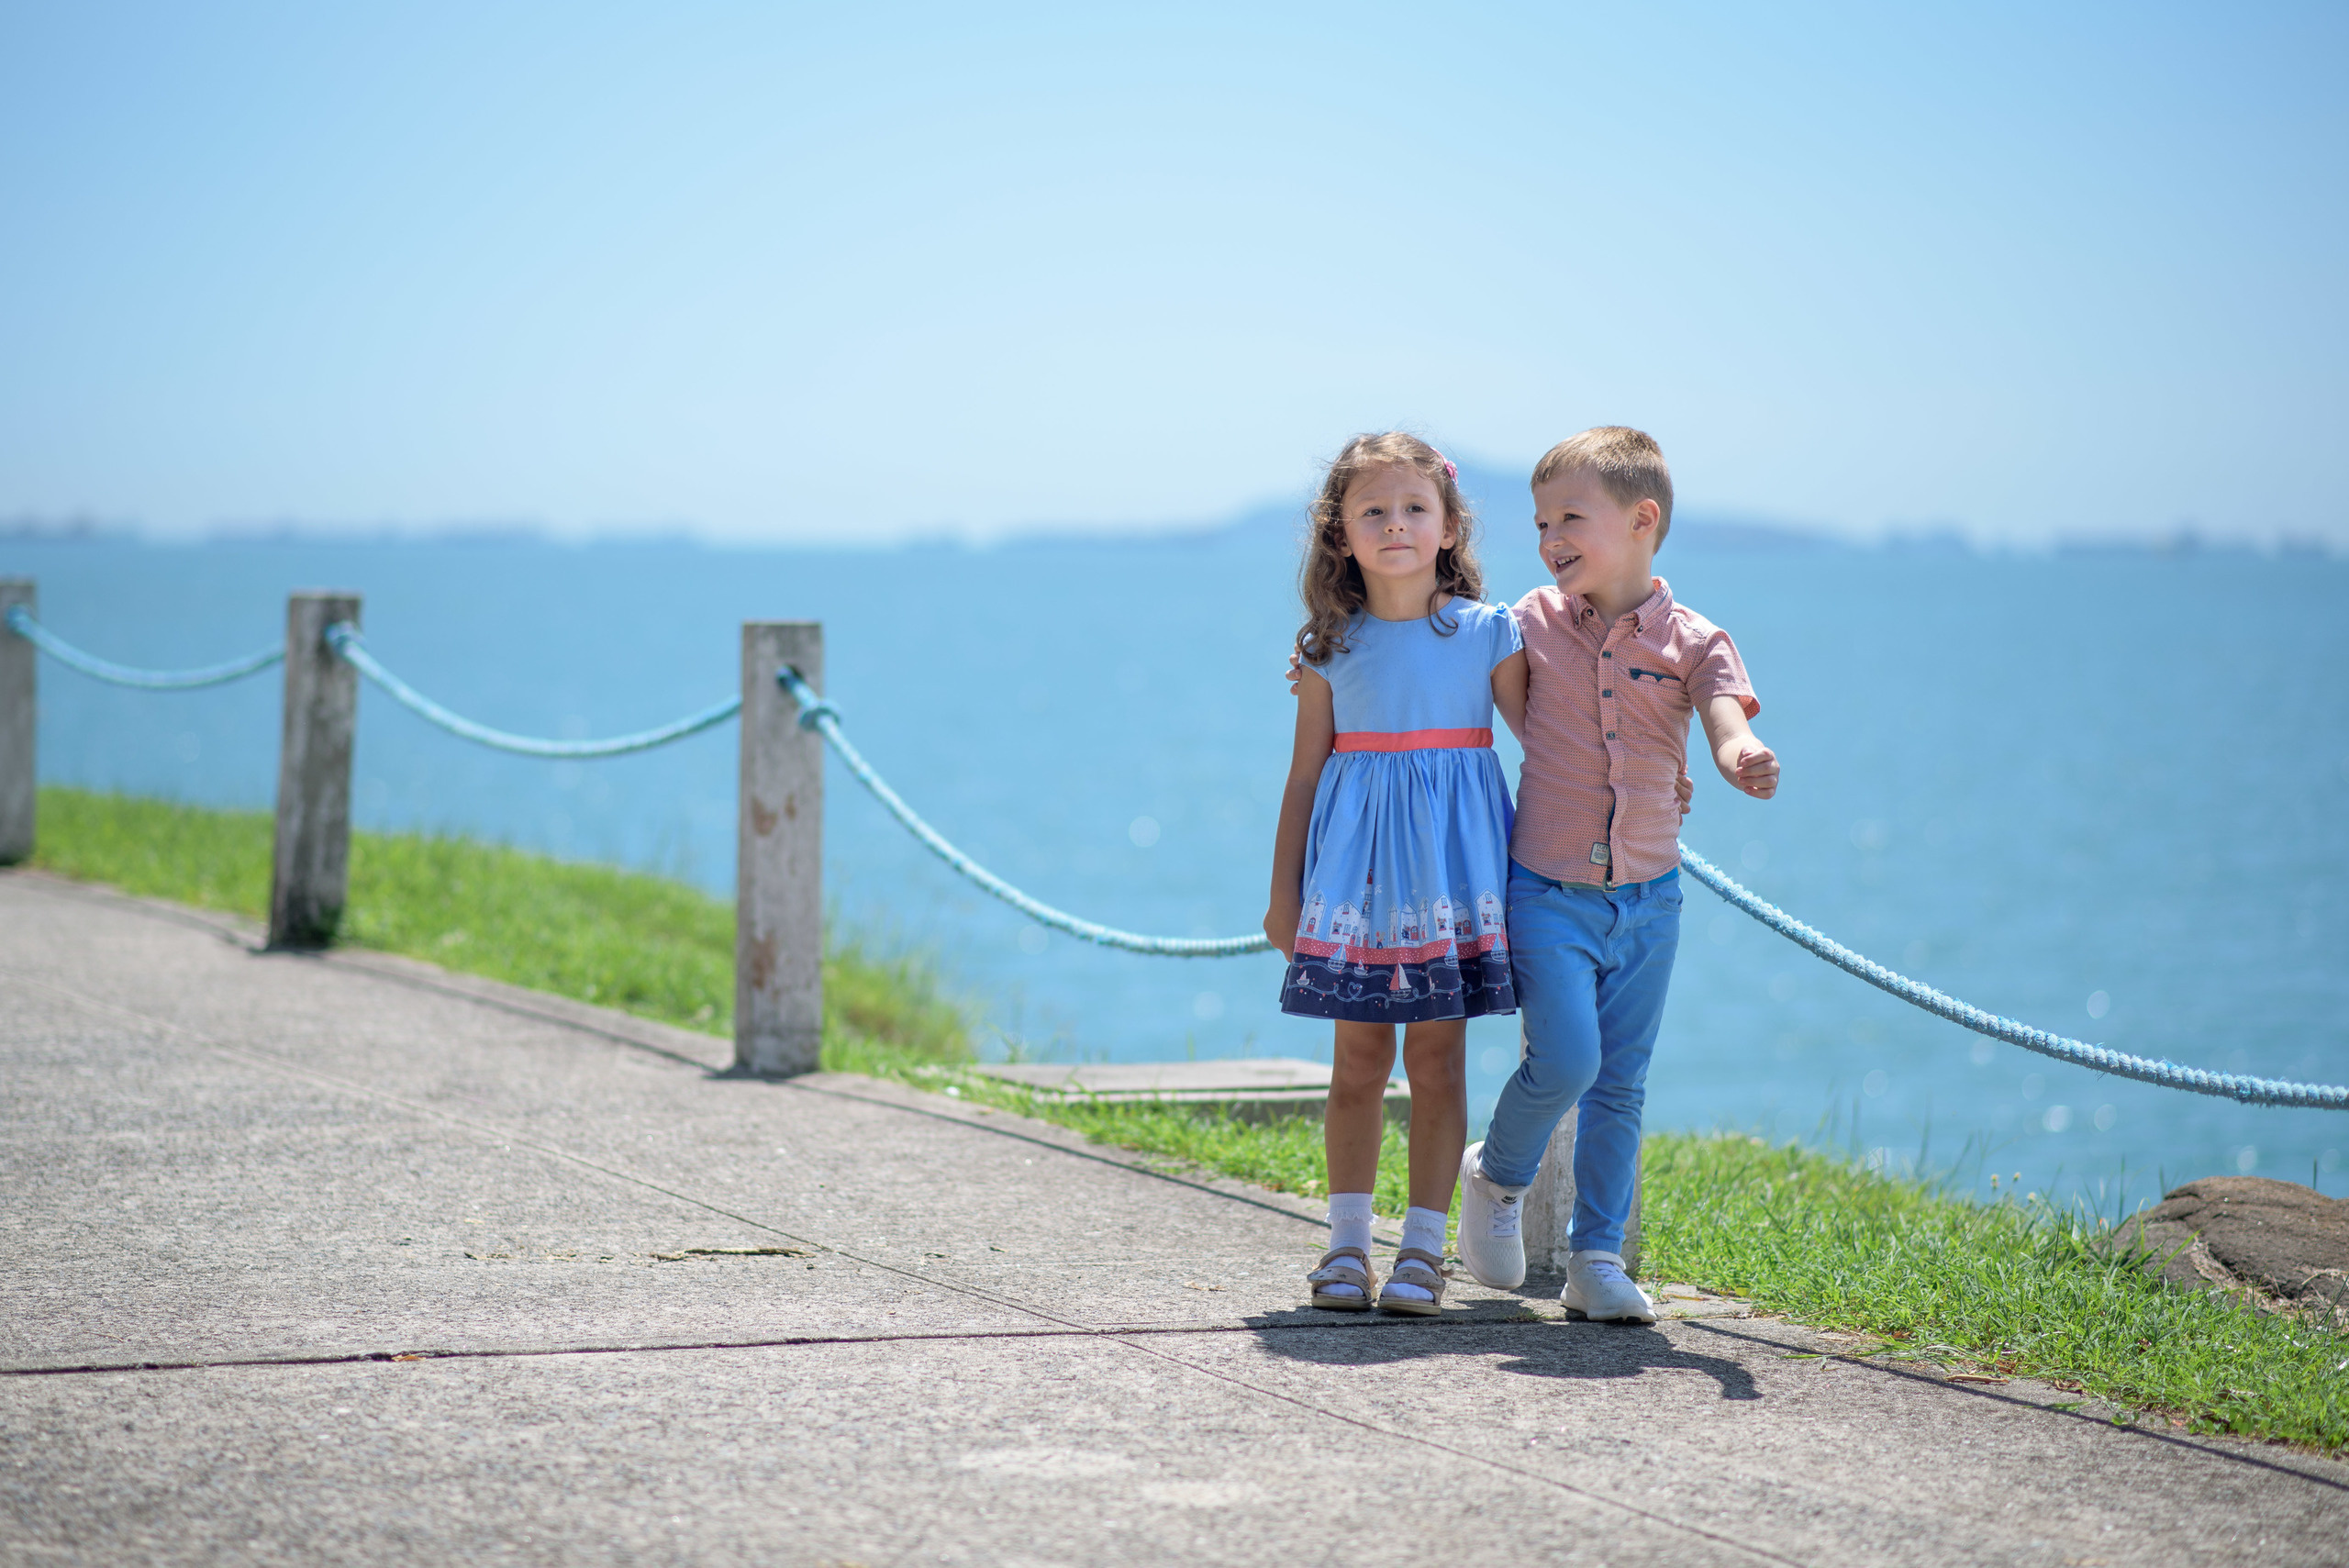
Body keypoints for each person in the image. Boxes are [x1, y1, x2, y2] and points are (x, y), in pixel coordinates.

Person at [1454, 427, 1778, 1323]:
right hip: (1546, 889)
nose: (1550, 534)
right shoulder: (1526, 621)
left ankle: (1595, 1258)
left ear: (1642, 520)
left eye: (1570, 516)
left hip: (1649, 900)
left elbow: (1722, 715)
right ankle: (1498, 1173)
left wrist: (1739, 751)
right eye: (1539, 520)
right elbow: (1456, 658)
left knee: (1621, 1082)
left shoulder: (1695, 638)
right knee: (1564, 1058)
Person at [1264, 431, 1528, 1317]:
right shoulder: (1328, 649)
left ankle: (1422, 1251)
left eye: (1415, 507)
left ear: (1451, 525)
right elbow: (1304, 778)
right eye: (1372, 509)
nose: (1395, 524)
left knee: (1441, 1059)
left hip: (1454, 886)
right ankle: (1345, 1246)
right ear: (1339, 534)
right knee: (1358, 1059)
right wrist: (1284, 894)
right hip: (1358, 889)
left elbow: (1552, 747)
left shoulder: (1490, 635)